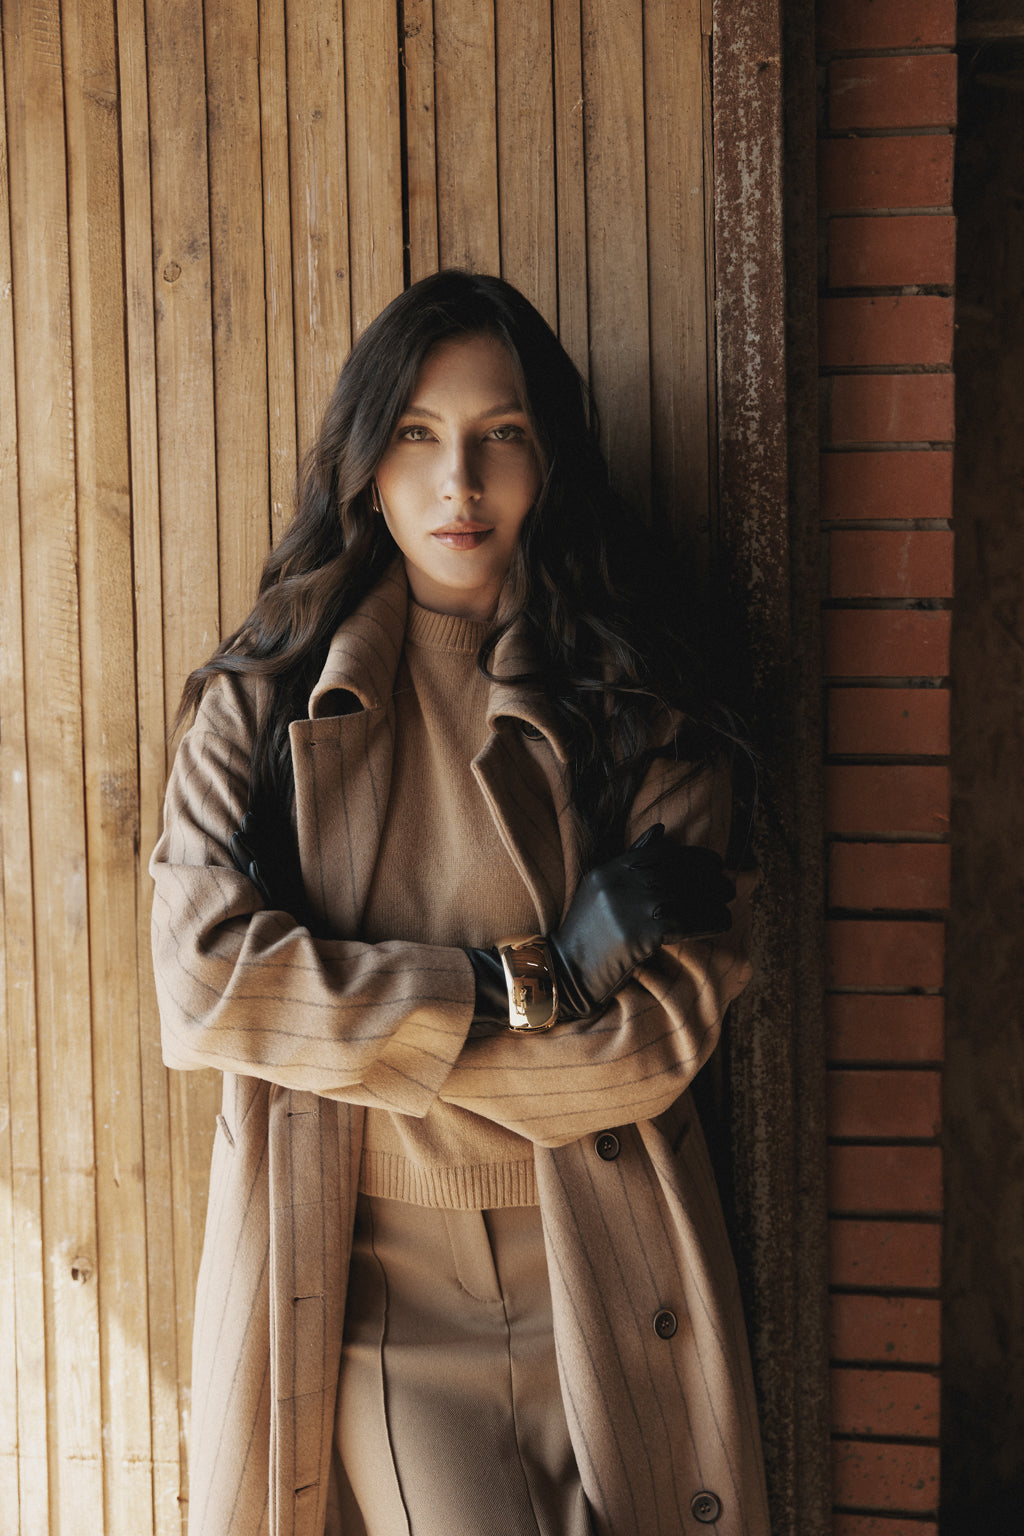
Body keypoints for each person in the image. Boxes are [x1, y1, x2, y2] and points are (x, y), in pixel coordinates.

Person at [150, 270, 770, 1536]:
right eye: (419, 437)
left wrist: (333, 1032)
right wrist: (521, 979)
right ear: (367, 464)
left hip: (603, 1252)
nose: (460, 484)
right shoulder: (261, 696)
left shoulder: (644, 703)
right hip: (373, 1285)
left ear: (551, 458)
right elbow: (202, 981)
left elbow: (641, 1052)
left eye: (499, 437)